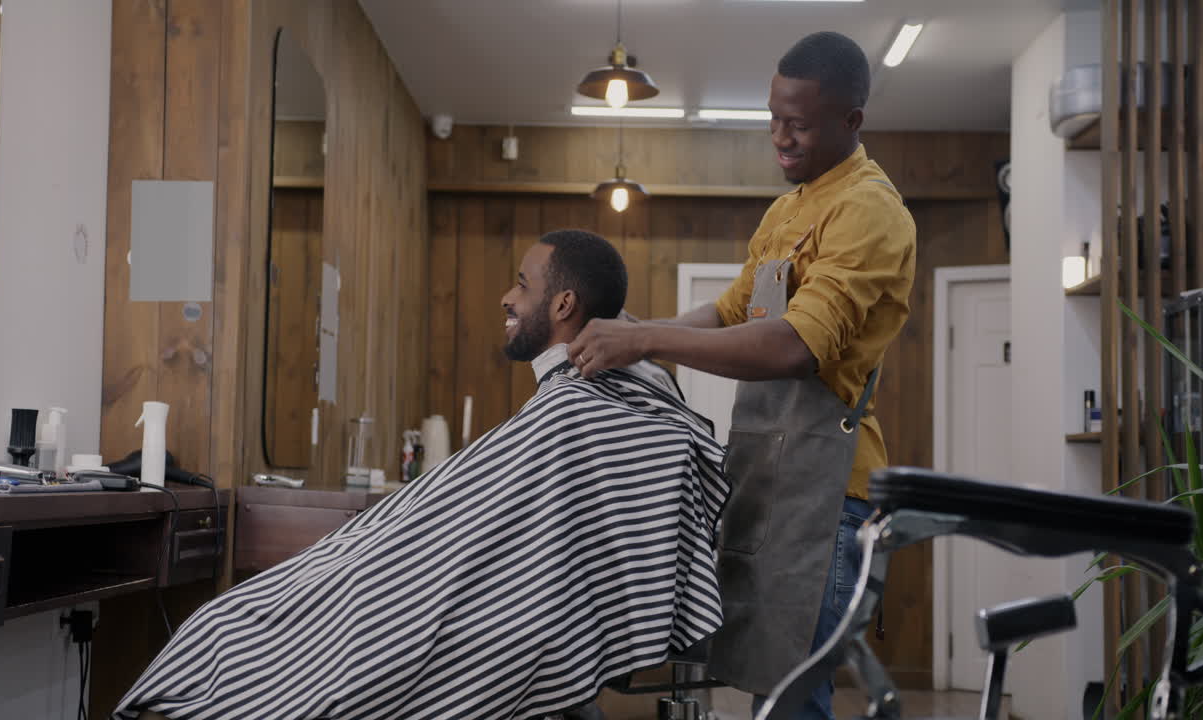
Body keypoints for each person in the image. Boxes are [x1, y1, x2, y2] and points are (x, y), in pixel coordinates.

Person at [117, 230, 728, 720]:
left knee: (236, 624)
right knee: (269, 610)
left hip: (506, 630)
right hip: (520, 621)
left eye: (522, 284)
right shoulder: (621, 393)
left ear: (564, 304)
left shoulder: (575, 408)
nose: (507, 299)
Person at [567, 32, 917, 720]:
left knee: (791, 702)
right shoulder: (788, 211)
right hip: (767, 482)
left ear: (852, 121)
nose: (780, 138)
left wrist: (642, 339)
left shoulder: (870, 211)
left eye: (800, 125)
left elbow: (794, 346)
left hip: (830, 501)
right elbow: (732, 312)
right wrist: (635, 339)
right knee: (764, 688)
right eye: (774, 117)